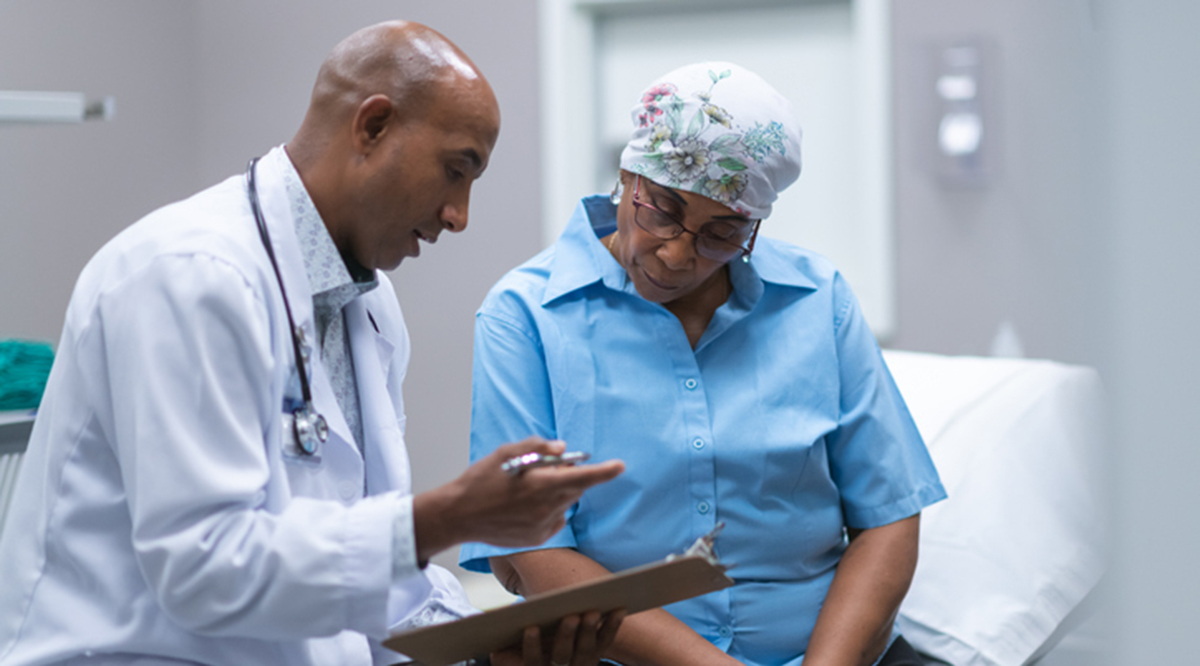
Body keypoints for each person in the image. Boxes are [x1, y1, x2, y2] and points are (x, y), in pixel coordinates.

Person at [0, 21, 625, 666]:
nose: (458, 215)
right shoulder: (188, 274)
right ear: (373, 126)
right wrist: (448, 517)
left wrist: (490, 651)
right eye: (455, 170)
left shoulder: (369, 306)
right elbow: (203, 569)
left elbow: (363, 570)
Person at [460, 62, 947, 666]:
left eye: (720, 233)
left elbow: (889, 518)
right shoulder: (525, 316)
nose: (677, 252)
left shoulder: (819, 302)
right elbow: (531, 550)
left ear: (755, 226)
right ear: (627, 174)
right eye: (662, 210)